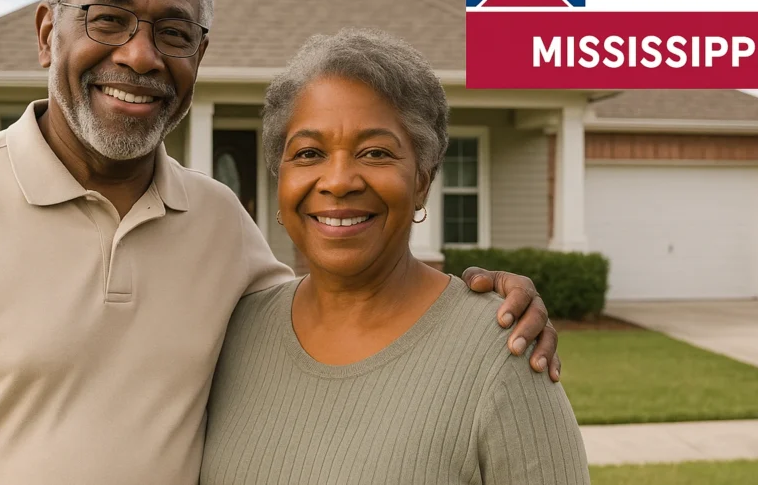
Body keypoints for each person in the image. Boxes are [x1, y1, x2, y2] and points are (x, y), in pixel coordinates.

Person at [0, 0, 562, 485]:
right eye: (108, 18)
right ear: (46, 31)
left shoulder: (221, 225)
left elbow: (344, 301)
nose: (141, 55)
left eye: (173, 32)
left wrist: (487, 302)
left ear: (199, 56)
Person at [200, 28, 589, 484]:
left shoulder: (504, 351)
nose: (339, 180)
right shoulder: (234, 332)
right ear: (280, 177)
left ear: (422, 178)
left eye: (376, 152)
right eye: (309, 153)